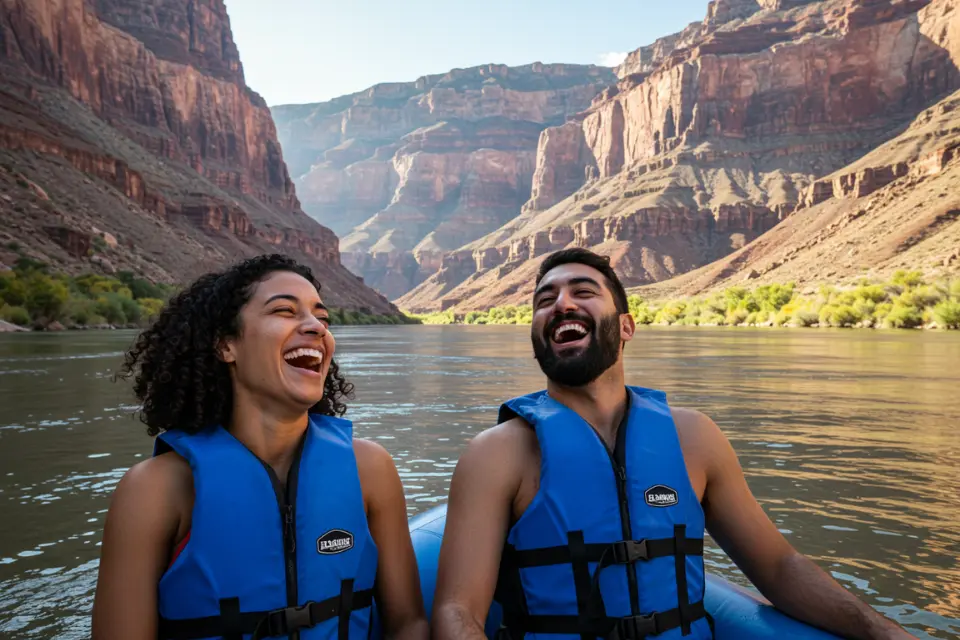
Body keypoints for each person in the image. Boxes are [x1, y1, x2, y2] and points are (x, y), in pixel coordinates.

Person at [431, 247, 917, 640]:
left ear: (626, 326)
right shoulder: (496, 453)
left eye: (584, 291)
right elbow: (457, 610)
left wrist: (883, 631)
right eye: (544, 300)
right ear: (537, 334)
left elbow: (779, 567)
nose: (562, 304)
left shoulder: (694, 437)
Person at [92, 254, 428, 640]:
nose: (316, 327)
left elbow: (409, 623)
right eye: (285, 311)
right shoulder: (155, 490)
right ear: (226, 345)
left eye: (323, 317)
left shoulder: (369, 468)